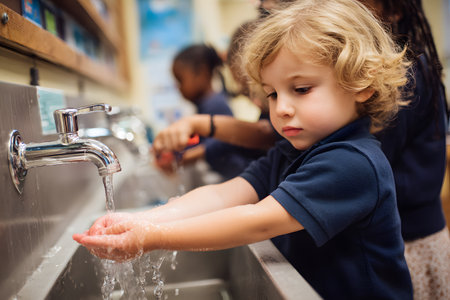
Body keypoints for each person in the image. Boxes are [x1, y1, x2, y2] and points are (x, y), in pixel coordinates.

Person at [73, 0, 413, 298]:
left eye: (302, 89)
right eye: (273, 93)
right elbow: (226, 195)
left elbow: (258, 222)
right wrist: (140, 220)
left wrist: (150, 237)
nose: (281, 108)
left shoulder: (352, 163)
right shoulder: (293, 150)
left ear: (362, 84)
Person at [359, 1, 450, 299]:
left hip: (412, 240)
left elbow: (375, 161)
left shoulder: (404, 75)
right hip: (413, 233)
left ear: (396, 11)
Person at [152, 21, 279, 156]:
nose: (256, 102)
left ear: (201, 73)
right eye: (248, 93)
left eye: (269, 93)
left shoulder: (215, 103)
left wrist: (197, 140)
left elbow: (263, 135)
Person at [159, 44, 261, 180]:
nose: (178, 88)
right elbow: (201, 141)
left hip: (240, 173)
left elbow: (224, 140)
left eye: (180, 80)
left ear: (201, 72)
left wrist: (188, 157)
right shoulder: (203, 106)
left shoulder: (215, 103)